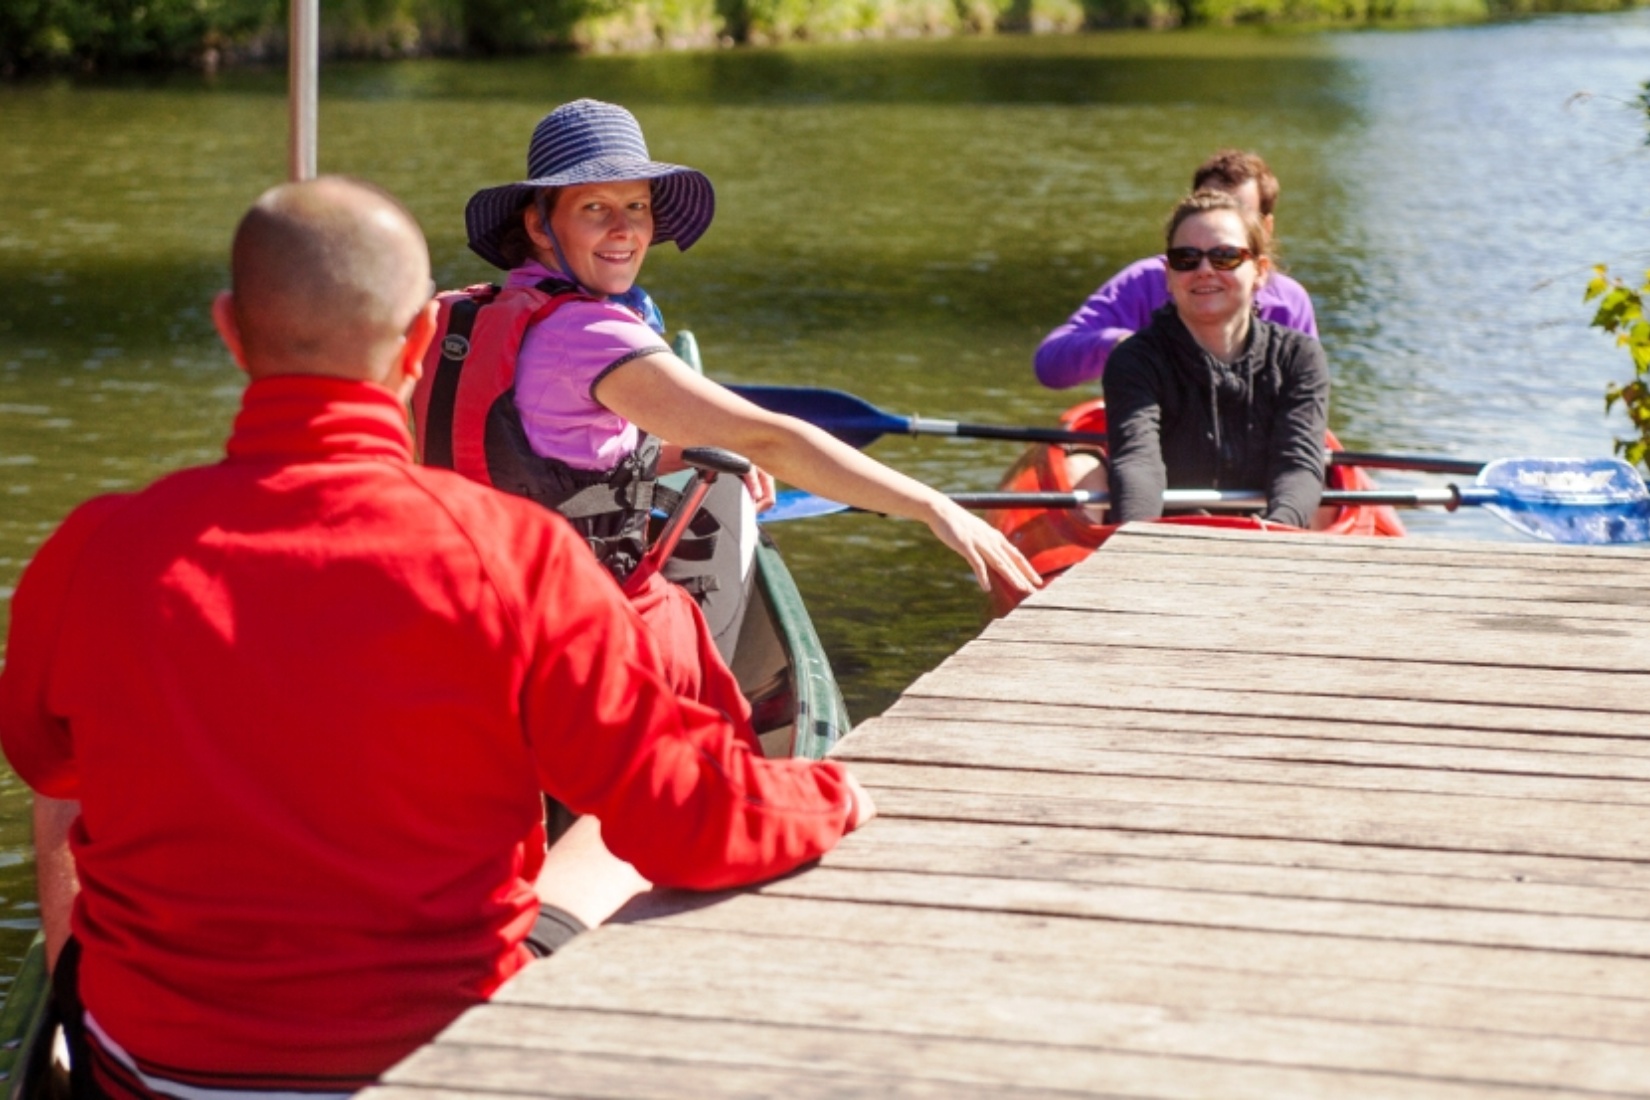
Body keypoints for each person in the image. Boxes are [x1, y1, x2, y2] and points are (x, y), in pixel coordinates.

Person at [0, 176, 874, 1098]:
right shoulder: (518, 557)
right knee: (615, 834)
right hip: (434, 1065)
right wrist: (828, 796)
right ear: (419, 343)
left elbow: (42, 762)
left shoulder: (94, 550)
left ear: (229, 331)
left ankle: (68, 1042)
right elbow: (689, 817)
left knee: (69, 790)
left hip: (159, 1072)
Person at [416, 98, 1041, 717]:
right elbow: (773, 439)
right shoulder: (595, 336)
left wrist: (685, 452)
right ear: (537, 224)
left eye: (636, 207)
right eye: (595, 209)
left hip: (465, 595)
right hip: (568, 617)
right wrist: (932, 505)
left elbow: (528, 454)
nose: (625, 230)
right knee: (713, 565)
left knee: (722, 474)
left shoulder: (465, 318)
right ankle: (699, 716)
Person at [1101, 189, 1329, 528]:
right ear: (1168, 274)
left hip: (1268, 535)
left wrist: (1276, 533)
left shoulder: (1300, 356)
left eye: (1224, 256)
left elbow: (1297, 465)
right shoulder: (1133, 359)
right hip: (1169, 538)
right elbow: (1138, 463)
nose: (1204, 270)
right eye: (1186, 258)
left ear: (1260, 270)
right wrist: (1140, 540)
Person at [1034, 149, 1318, 389]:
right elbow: (1050, 364)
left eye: (1236, 212)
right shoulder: (1144, 281)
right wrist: (1124, 345)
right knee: (1080, 459)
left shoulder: (1290, 303)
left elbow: (1304, 400)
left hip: (1256, 447)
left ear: (1265, 230)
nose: (1206, 270)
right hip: (1150, 435)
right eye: (1206, 207)